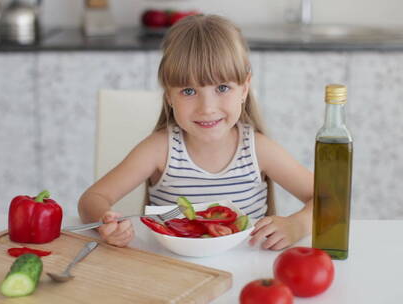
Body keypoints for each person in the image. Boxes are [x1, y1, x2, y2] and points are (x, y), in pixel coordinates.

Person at [78, 14, 313, 251]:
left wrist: (299, 225)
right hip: (172, 273)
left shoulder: (258, 150)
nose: (207, 108)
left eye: (222, 88)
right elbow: (92, 199)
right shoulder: (159, 150)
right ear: (169, 95)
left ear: (245, 88)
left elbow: (331, 200)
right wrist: (106, 223)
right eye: (189, 91)